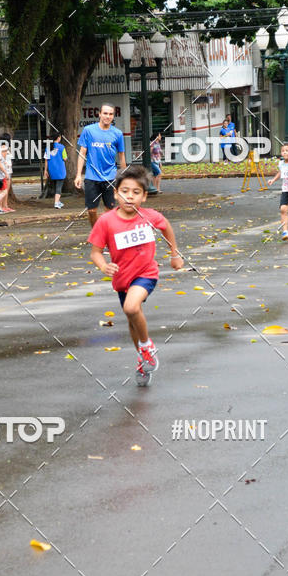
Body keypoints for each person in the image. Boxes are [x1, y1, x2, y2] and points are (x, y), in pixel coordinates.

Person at [89, 164, 184, 386]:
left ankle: (146, 346)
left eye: (136, 192)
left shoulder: (149, 216)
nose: (129, 197)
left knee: (131, 308)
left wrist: (175, 253)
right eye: (124, 191)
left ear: (144, 197)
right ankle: (143, 358)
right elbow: (95, 252)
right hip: (122, 279)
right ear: (115, 193)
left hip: (146, 274)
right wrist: (104, 266)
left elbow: (166, 227)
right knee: (132, 320)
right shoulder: (106, 221)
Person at [74, 103, 127, 226]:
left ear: (113, 116)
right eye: (105, 113)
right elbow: (82, 153)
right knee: (92, 211)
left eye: (110, 114)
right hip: (92, 177)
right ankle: (96, 232)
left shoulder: (117, 134)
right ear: (99, 114)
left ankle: (105, 233)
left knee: (110, 211)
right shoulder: (88, 131)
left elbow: (121, 156)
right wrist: (78, 175)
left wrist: (124, 177)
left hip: (110, 178)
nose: (107, 116)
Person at [44, 133, 67, 208]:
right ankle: (56, 203)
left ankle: (58, 201)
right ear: (58, 138)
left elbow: (46, 160)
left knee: (55, 186)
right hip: (60, 169)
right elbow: (65, 158)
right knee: (59, 187)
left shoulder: (48, 147)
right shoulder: (62, 147)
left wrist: (45, 171)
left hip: (52, 170)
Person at [0, 139, 15, 213]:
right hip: (5, 172)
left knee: (6, 190)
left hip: (8, 171)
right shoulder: (3, 149)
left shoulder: (7, 149)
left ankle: (5, 206)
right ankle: (2, 206)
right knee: (4, 190)